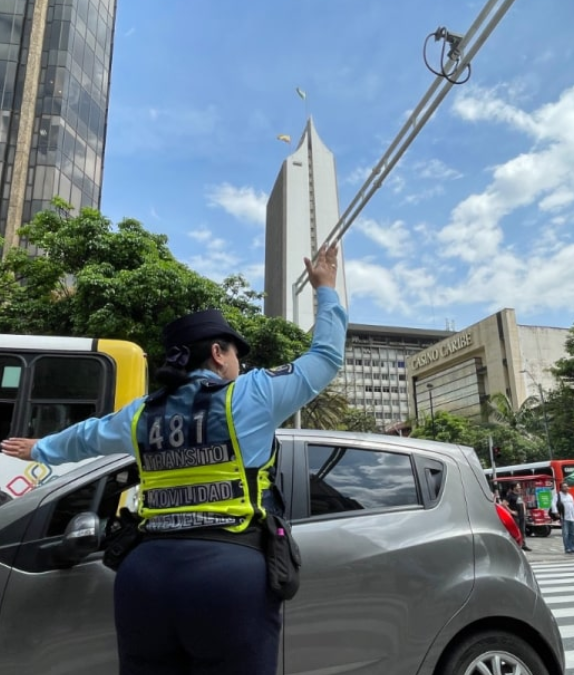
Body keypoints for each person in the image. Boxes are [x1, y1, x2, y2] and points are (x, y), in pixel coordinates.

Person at [1, 244, 346, 674]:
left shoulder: (143, 412)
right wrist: (326, 290)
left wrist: (38, 448)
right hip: (228, 573)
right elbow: (326, 357)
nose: (241, 362)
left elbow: (88, 438)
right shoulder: (251, 394)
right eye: (236, 353)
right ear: (218, 353)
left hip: (144, 576)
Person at [555, 483, 574, 555]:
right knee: (566, 534)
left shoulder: (570, 496)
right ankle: (567, 548)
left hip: (572, 517)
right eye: (564, 487)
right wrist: (556, 512)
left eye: (566, 486)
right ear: (561, 488)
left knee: (573, 533)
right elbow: (553, 504)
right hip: (564, 517)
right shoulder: (558, 495)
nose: (566, 488)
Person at [506, 484, 532, 552]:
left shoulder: (519, 495)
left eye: (519, 487)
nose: (519, 488)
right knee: (517, 531)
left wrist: (524, 511)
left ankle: (523, 545)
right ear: (514, 487)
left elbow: (522, 503)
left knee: (522, 531)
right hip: (515, 517)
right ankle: (516, 545)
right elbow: (504, 503)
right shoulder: (510, 495)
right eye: (518, 487)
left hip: (522, 515)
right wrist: (511, 511)